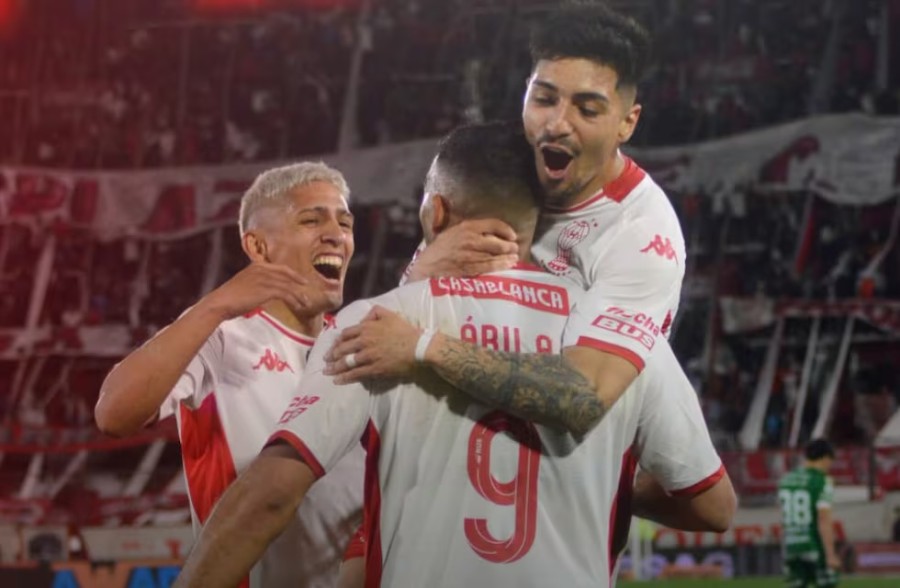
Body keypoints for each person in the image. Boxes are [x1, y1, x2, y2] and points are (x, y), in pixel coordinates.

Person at [173, 122, 733, 588]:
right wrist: (595, 474)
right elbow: (712, 506)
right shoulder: (621, 335)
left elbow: (271, 495)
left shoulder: (376, 326)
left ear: (434, 213)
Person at [324, 2, 729, 528]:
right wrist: (423, 264)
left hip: (556, 491)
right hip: (450, 458)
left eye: (587, 109)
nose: (556, 124)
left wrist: (425, 348)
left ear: (627, 121)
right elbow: (425, 300)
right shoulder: (504, 166)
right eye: (543, 98)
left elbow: (582, 398)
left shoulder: (641, 236)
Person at [94, 162, 364, 588]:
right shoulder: (223, 336)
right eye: (311, 219)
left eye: (345, 222)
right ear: (258, 248)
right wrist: (216, 304)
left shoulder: (362, 345)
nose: (337, 234)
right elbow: (113, 413)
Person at [778, 438, 840, 588]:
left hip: (791, 547)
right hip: (814, 546)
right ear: (825, 457)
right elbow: (823, 518)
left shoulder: (786, 480)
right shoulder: (822, 481)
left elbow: (783, 518)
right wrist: (830, 554)